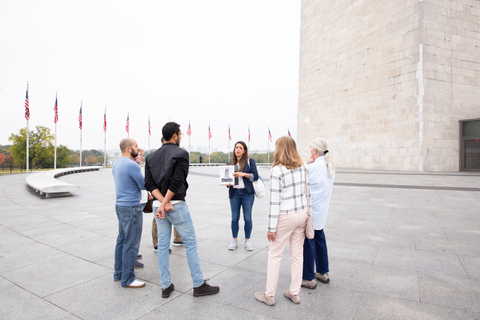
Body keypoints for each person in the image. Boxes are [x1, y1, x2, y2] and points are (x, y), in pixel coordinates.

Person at [145, 122, 219, 298]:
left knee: (162, 246)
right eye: (180, 134)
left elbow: (149, 184)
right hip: (176, 205)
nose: (180, 137)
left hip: (159, 206)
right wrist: (167, 203)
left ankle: (165, 286)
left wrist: (162, 203)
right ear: (175, 136)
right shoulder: (181, 153)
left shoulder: (150, 157)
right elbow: (176, 181)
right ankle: (198, 284)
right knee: (190, 243)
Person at [255, 136, 310, 306]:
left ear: (279, 149)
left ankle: (269, 295)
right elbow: (308, 193)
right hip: (301, 213)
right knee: (297, 255)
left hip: (286, 215)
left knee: (275, 255)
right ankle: (294, 292)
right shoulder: (303, 166)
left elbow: (275, 202)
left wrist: (271, 228)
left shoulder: (277, 170)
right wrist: (308, 214)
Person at [301, 138, 335, 289]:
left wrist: (306, 163)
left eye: (311, 148)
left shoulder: (313, 167)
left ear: (314, 150)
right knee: (320, 238)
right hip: (321, 210)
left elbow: (298, 174)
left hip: (312, 211)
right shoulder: (329, 166)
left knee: (309, 242)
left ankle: (308, 277)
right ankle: (323, 271)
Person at [112, 138, 146, 288]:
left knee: (121, 240)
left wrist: (136, 164)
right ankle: (128, 278)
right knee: (131, 243)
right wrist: (138, 165)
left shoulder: (117, 163)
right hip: (132, 207)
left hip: (120, 205)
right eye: (135, 146)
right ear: (128, 149)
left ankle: (118, 273)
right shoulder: (131, 165)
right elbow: (143, 184)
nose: (137, 149)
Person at [150, 138, 183, 252]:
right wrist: (165, 201)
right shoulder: (156, 157)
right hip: (160, 195)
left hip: (171, 195)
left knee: (176, 216)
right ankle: (157, 243)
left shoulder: (174, 155)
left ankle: (178, 238)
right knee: (158, 219)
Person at [226, 141, 258, 251]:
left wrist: (243, 174)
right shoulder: (230, 163)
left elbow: (256, 176)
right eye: (236, 148)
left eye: (240, 148)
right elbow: (227, 179)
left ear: (244, 151)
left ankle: (247, 241)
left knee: (247, 218)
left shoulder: (250, 161)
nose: (238, 149)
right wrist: (227, 183)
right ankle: (234, 240)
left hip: (247, 194)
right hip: (234, 193)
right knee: (234, 218)